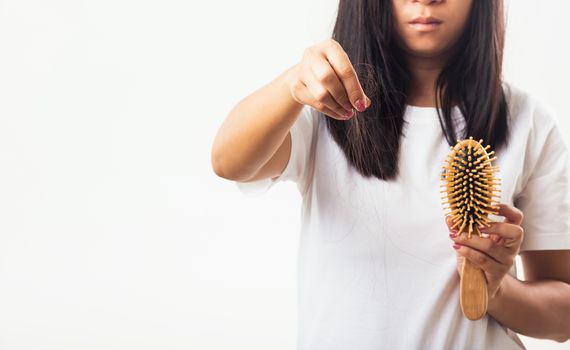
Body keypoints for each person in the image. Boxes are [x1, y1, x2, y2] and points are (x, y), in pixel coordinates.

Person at [211, 0, 570, 348]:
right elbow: (230, 162)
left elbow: (563, 318)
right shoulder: (325, 106)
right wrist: (294, 83)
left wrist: (499, 290)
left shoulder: (529, 121)